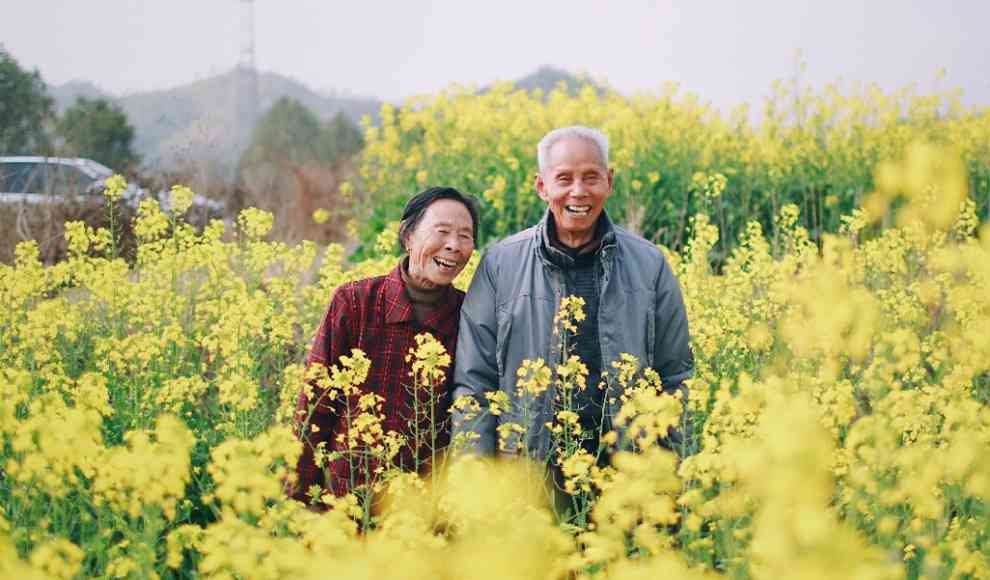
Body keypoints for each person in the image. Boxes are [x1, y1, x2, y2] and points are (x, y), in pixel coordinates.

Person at [451, 126, 694, 468]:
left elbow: (675, 377)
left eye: (591, 177)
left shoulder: (650, 264)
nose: (578, 192)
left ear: (609, 182)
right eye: (564, 178)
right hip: (529, 474)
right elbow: (475, 383)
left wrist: (670, 475)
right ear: (542, 186)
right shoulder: (500, 265)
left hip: (628, 474)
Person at [290, 186, 478, 506]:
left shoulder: (472, 315)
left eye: (465, 235)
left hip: (422, 518)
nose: (454, 246)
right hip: (345, 506)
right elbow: (315, 405)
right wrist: (296, 499)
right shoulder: (354, 302)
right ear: (407, 236)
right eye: (442, 231)